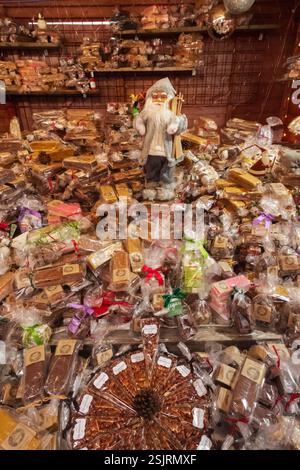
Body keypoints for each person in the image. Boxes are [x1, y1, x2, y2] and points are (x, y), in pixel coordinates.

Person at [134, 77, 187, 185]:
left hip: (167, 149)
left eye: (163, 97)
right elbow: (138, 120)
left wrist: (176, 123)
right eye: (155, 97)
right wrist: (140, 126)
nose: (158, 100)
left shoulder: (173, 114)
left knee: (167, 170)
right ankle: (151, 185)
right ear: (149, 99)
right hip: (151, 149)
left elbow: (183, 123)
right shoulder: (148, 113)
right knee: (151, 168)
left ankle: (166, 187)